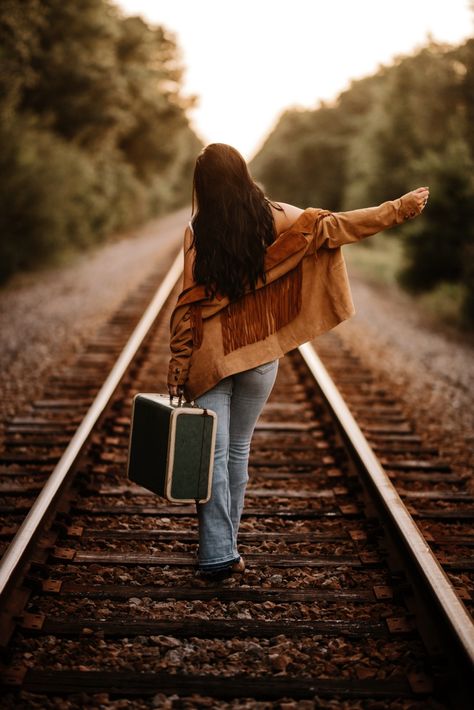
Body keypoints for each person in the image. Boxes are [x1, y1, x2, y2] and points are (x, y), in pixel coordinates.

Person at [168, 142, 429, 578]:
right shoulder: (278, 216)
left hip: (211, 358)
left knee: (210, 456)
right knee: (236, 450)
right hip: (258, 354)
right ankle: (225, 548)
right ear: (243, 175)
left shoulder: (196, 231)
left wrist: (178, 366)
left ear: (204, 187)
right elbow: (336, 227)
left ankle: (216, 552)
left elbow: (188, 306)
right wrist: (396, 209)